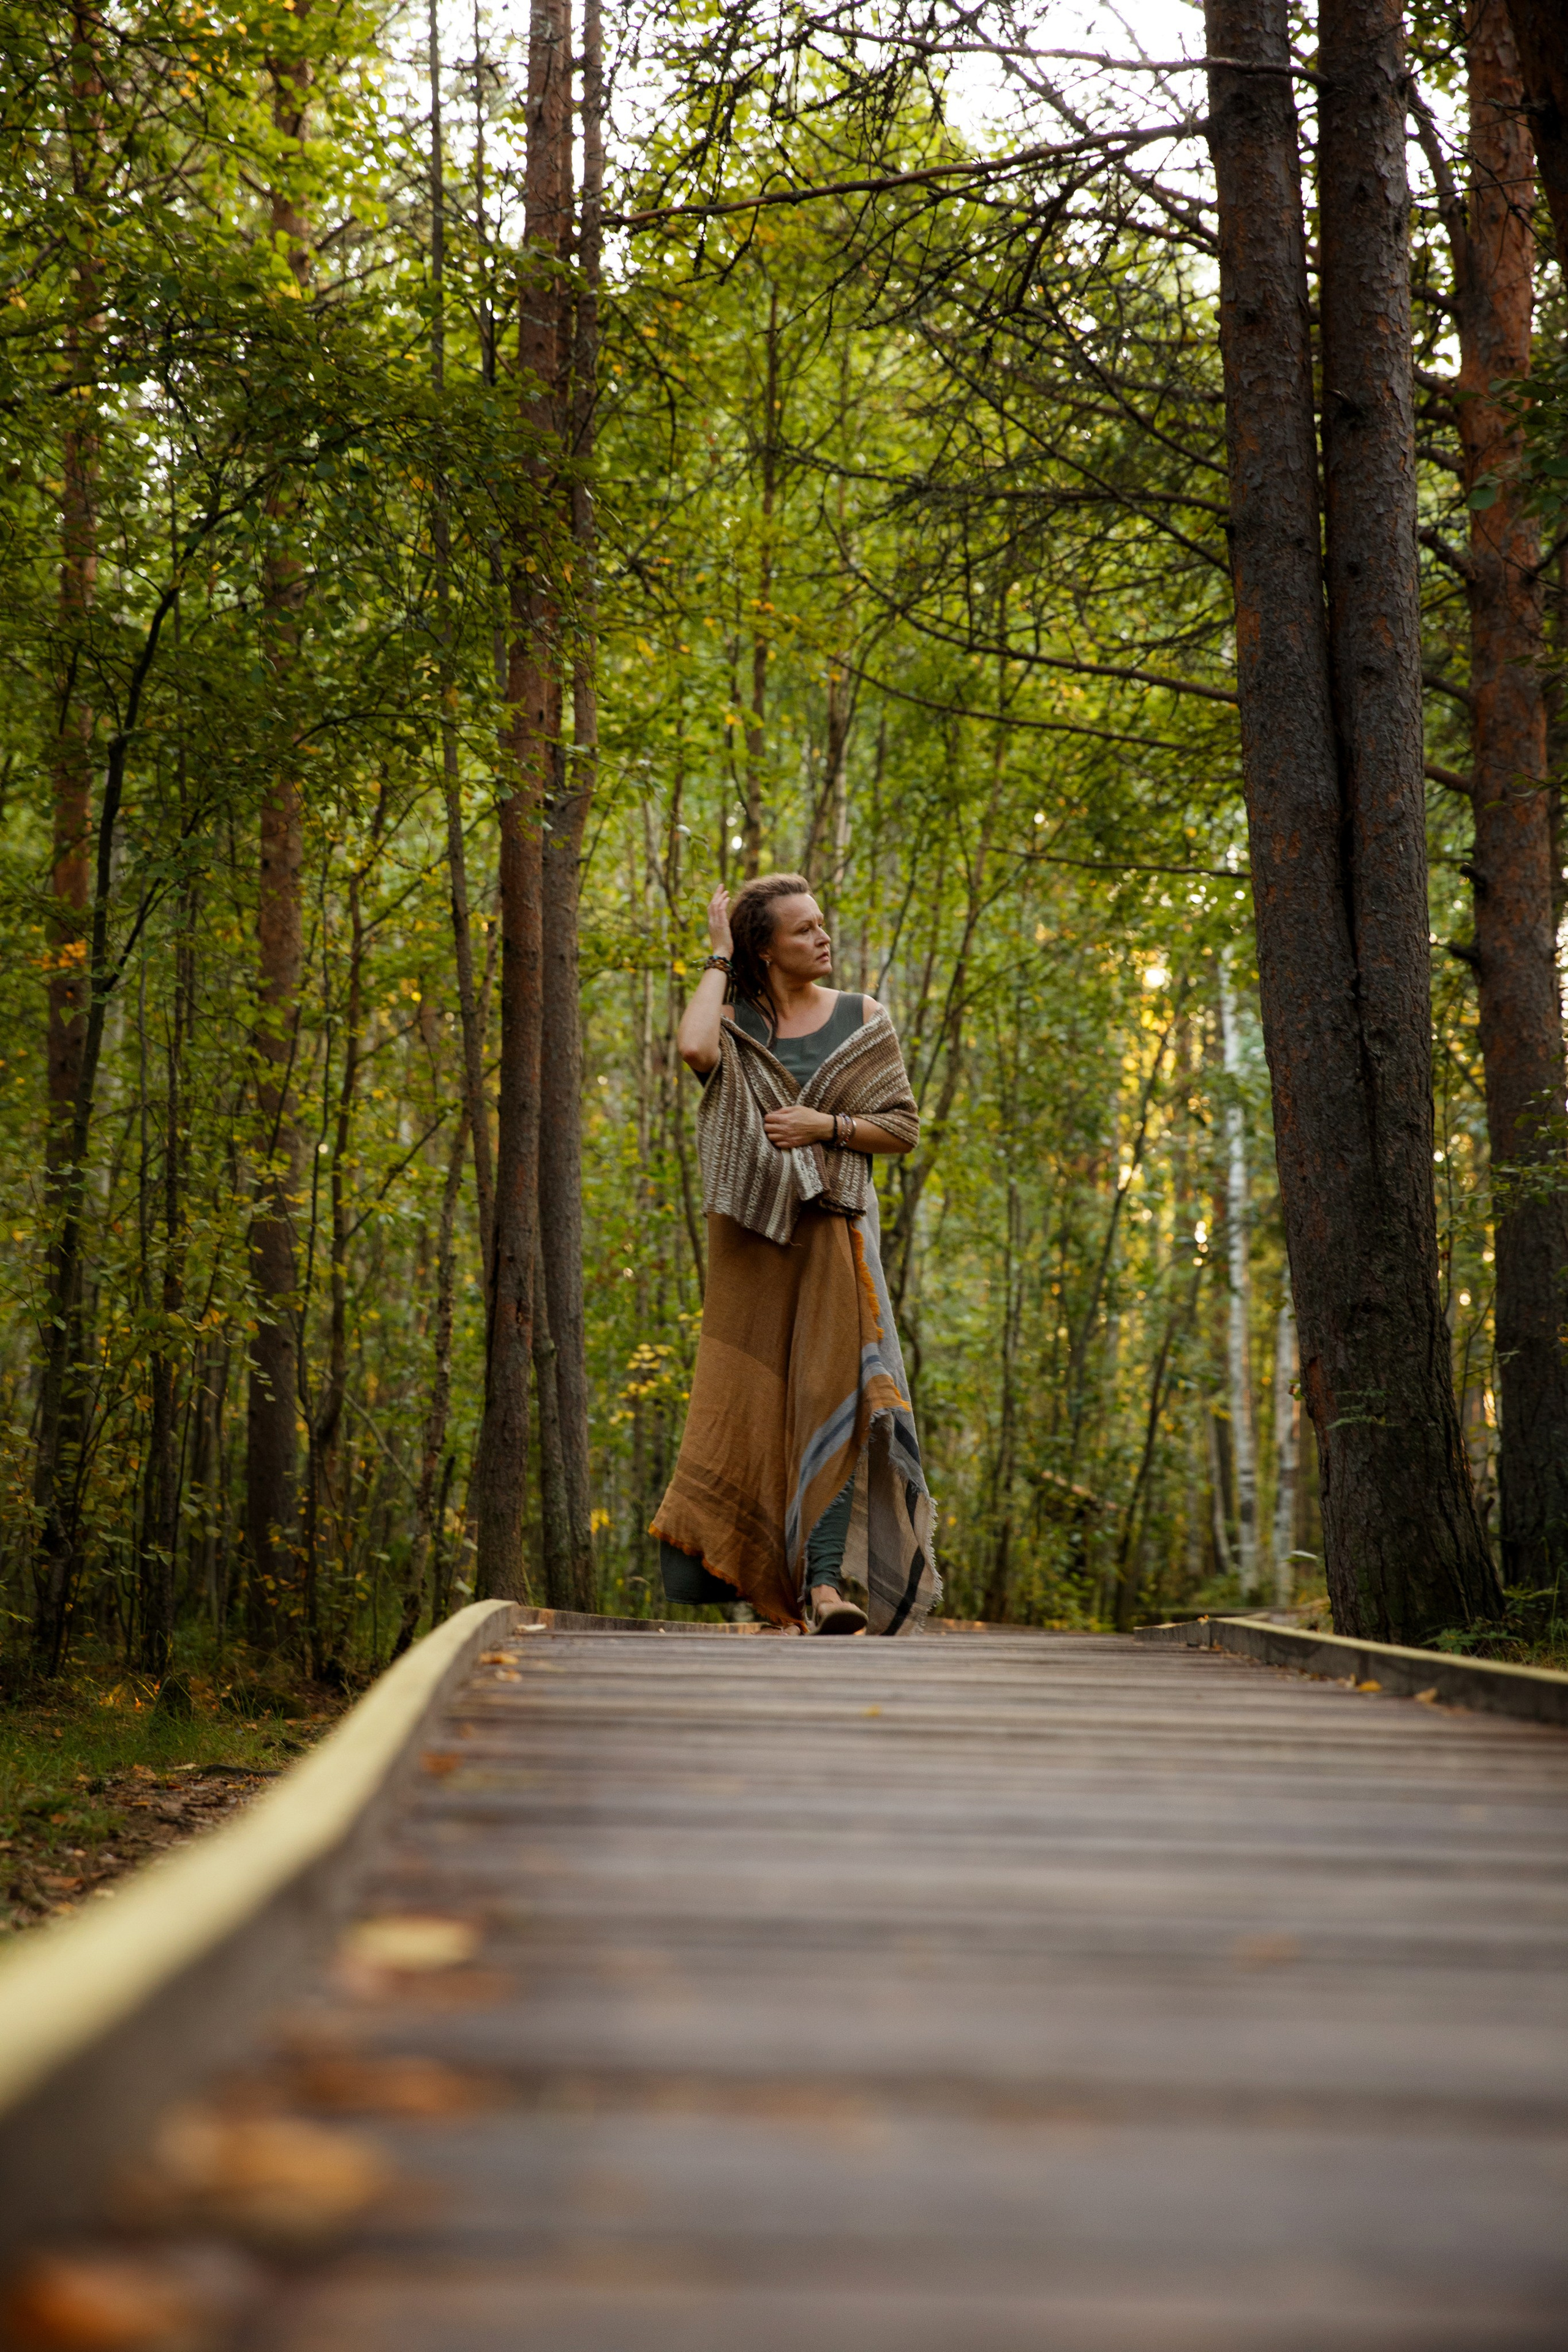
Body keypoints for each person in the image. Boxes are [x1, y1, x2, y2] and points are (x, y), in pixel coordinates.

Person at [650, 872, 940, 1635]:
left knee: (834, 1393)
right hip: (751, 1238)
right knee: (744, 1401)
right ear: (765, 949)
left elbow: (902, 1128)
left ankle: (822, 1588)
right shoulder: (737, 1020)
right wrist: (717, 957)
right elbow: (693, 1046)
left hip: (837, 1233)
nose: (823, 938)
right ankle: (755, 1578)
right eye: (803, 930)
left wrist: (825, 1127)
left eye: (822, 924)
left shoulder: (861, 1017)